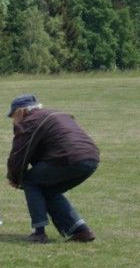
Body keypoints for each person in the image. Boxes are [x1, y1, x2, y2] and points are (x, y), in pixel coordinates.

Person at [6, 94, 99, 243]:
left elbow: (19, 153)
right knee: (48, 190)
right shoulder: (54, 114)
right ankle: (81, 231)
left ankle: (39, 232)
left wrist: (14, 178)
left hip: (68, 157)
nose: (13, 120)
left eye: (13, 116)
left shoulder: (29, 121)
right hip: (91, 158)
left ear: (20, 112)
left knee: (30, 181)